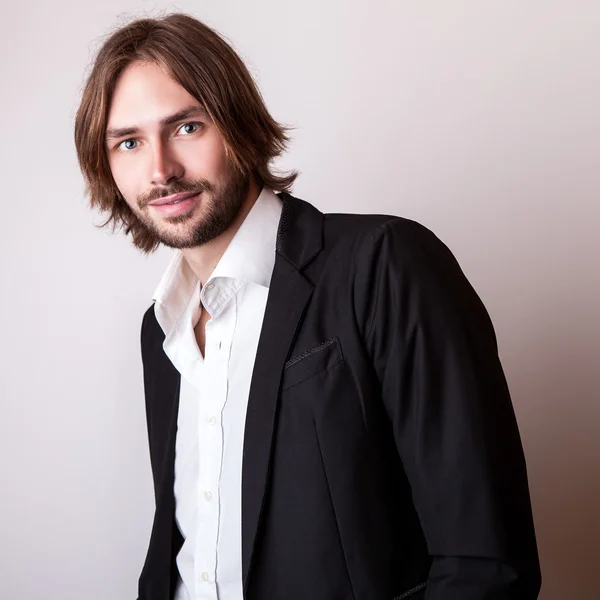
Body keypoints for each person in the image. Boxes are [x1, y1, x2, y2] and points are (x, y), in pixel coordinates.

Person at [74, 12, 541, 600]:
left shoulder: (383, 266)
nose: (161, 169)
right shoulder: (159, 331)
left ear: (237, 124)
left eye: (188, 127)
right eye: (130, 142)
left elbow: (485, 565)